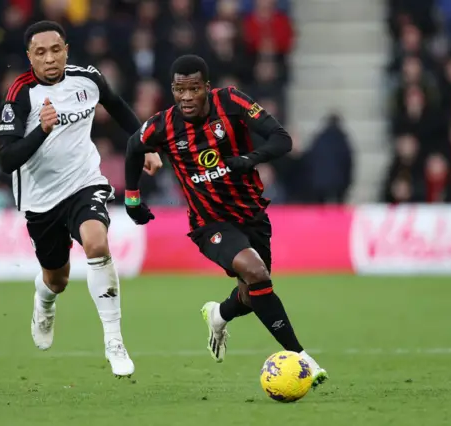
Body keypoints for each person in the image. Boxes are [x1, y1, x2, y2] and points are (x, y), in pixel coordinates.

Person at [123, 54, 328, 386]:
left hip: (252, 215)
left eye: (193, 89)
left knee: (253, 293)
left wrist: (248, 160)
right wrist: (132, 199)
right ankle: (301, 357)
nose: (186, 98)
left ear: (206, 87)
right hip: (209, 224)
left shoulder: (231, 101)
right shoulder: (163, 125)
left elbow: (282, 139)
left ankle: (218, 314)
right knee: (256, 271)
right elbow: (134, 147)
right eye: (179, 90)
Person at [0, 21, 162, 378]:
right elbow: (6, 159)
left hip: (84, 183)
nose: (50, 59)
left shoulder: (87, 79)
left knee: (97, 243)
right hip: (41, 200)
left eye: (56, 50)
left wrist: (143, 144)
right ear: (30, 58)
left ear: (66, 50)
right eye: (40, 53)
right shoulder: (21, 94)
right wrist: (41, 130)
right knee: (57, 279)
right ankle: (44, 299)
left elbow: (116, 106)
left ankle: (114, 341)